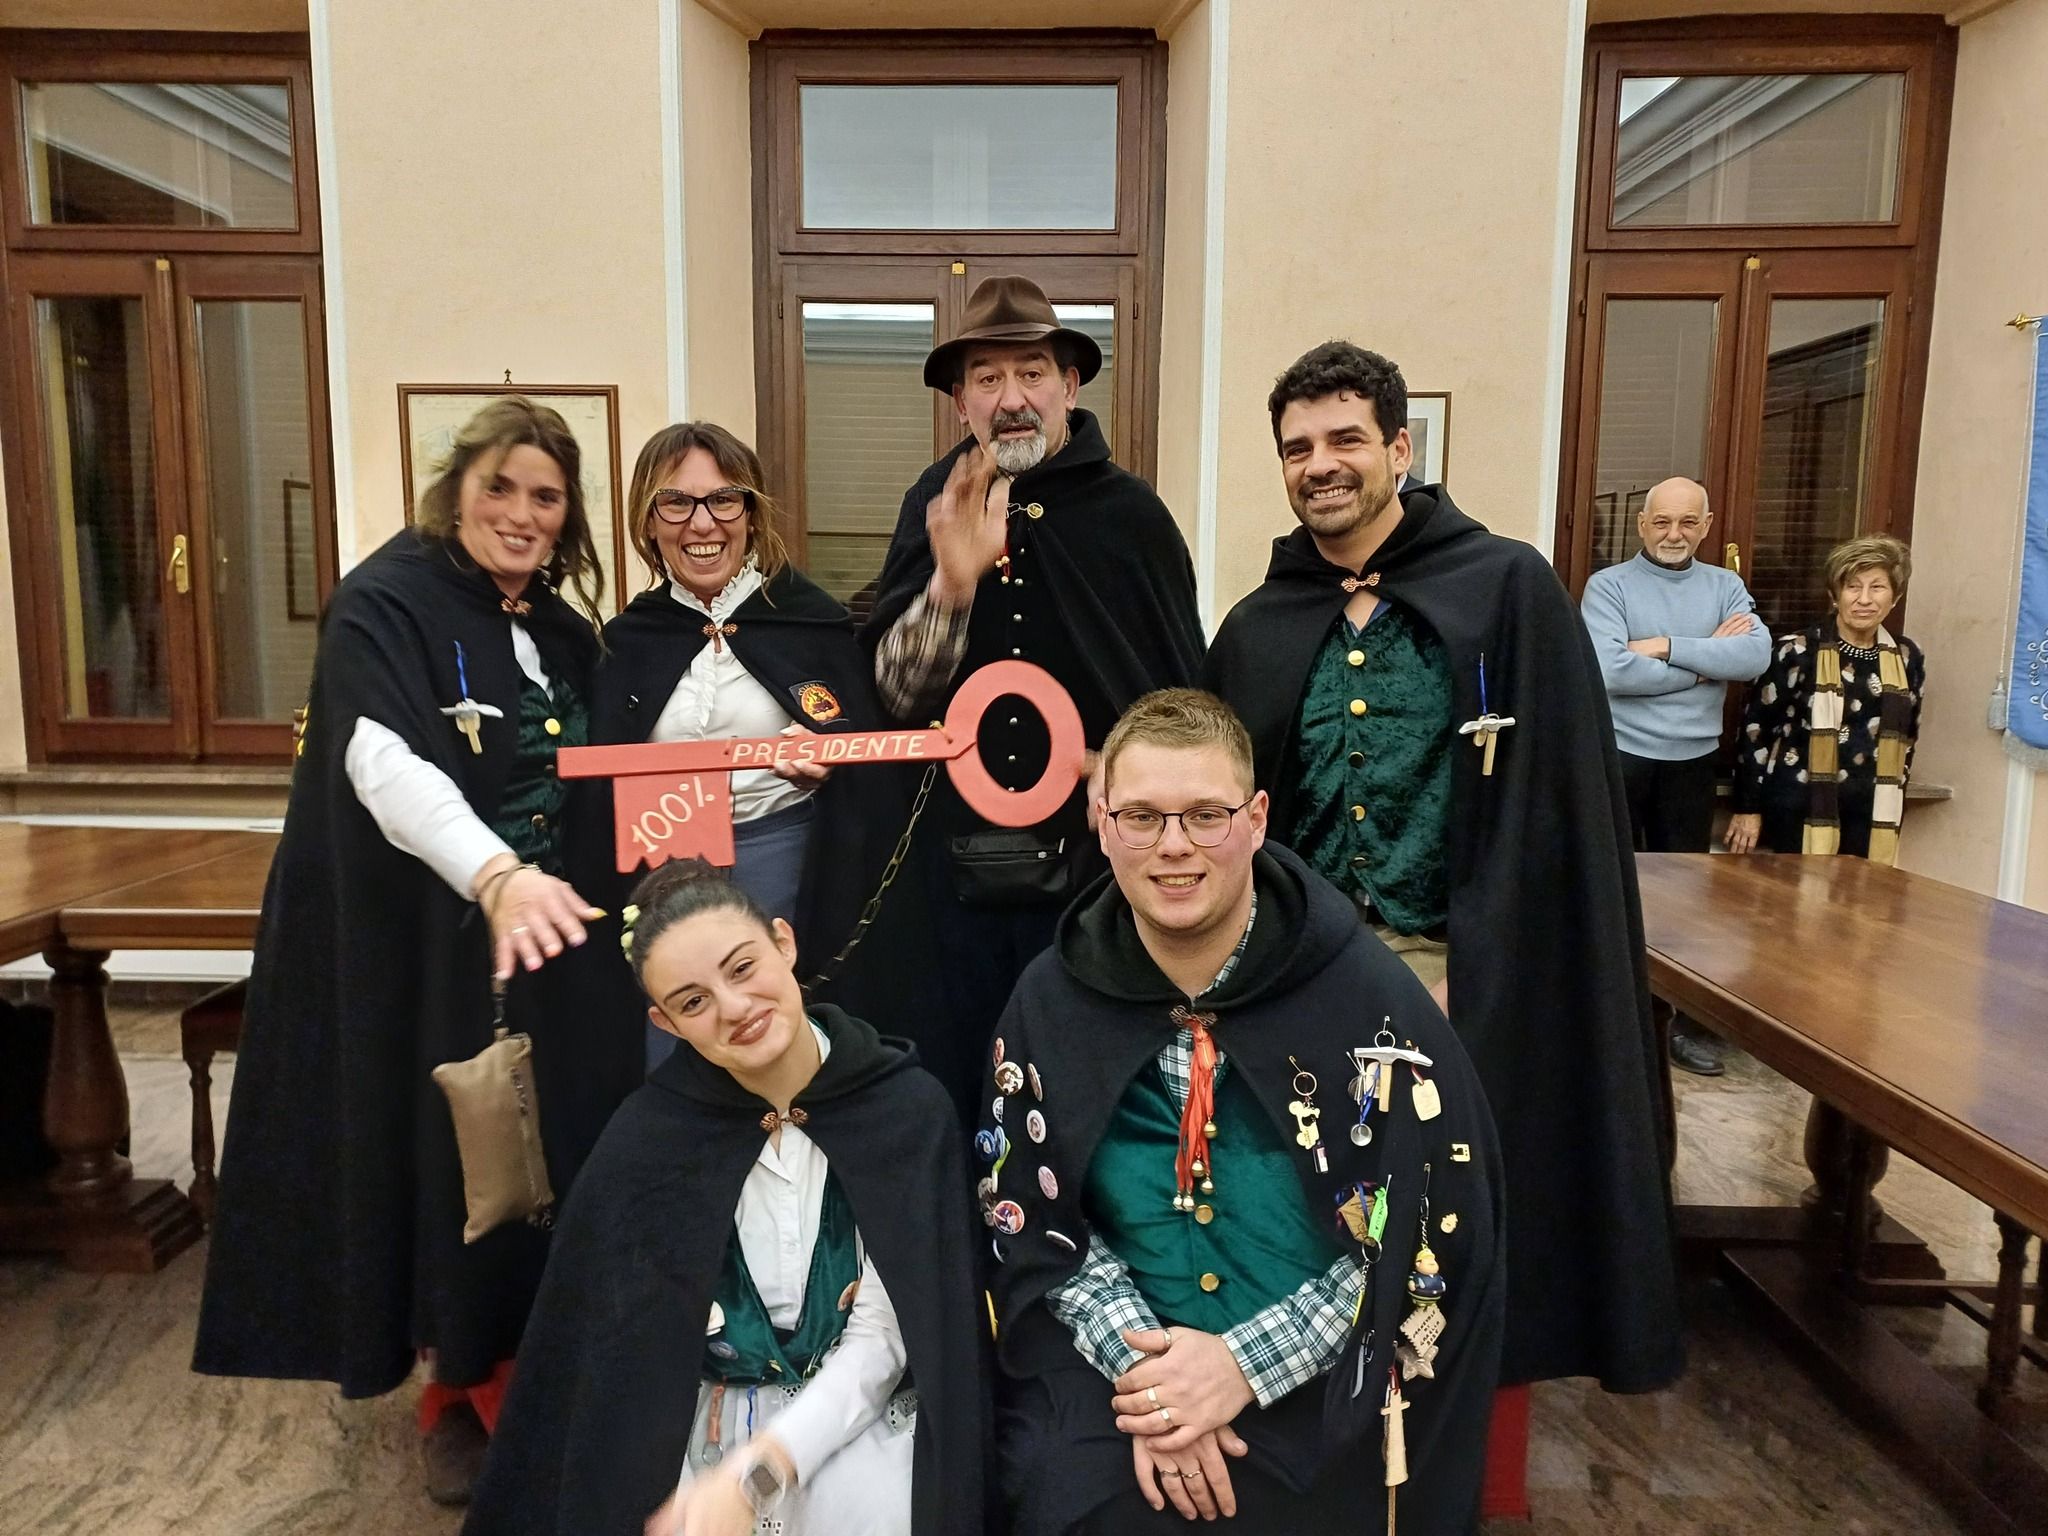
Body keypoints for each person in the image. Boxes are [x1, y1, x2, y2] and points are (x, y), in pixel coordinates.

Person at [1204, 342, 1683, 1399]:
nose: (1319, 464)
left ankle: (1446, 1419)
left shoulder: (1507, 589)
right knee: (1310, 1211)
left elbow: (1555, 811)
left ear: (1399, 449)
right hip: (1303, 974)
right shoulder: (1260, 622)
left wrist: (1488, 961)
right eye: (1296, 448)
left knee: (1447, 1227)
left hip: (1457, 969)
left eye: (1344, 439)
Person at [193, 397, 640, 1504]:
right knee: (464, 1168)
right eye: (501, 487)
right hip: (438, 949)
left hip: (564, 946)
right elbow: (382, 763)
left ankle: (543, 1371)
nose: (522, 513)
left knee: (559, 1160)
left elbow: (617, 772)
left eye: (546, 495)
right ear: (456, 487)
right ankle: (458, 1394)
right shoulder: (383, 605)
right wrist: (494, 875)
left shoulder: (565, 633)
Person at [981, 689, 1504, 1534]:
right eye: (1141, 817)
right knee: (1067, 1494)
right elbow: (1032, 1218)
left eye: (1206, 815)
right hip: (1118, 1374)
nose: (1173, 846)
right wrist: (1154, 1385)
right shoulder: (1050, 1000)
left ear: (1257, 819)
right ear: (1101, 823)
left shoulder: (1368, 997)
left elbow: (1428, 1221)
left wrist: (1242, 1367)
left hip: (1326, 1373)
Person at [463, 858, 985, 1536]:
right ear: (666, 1023)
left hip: (861, 1419)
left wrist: (763, 1471)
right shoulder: (648, 1144)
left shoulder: (905, 1113)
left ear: (783, 942)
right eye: (693, 1002)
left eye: (742, 968)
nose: (733, 1008)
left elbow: (885, 1338)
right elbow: (619, 1368)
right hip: (701, 1430)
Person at [862, 274, 1205, 1124]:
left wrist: (1128, 775)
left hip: (1097, 877)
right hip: (952, 886)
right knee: (962, 1081)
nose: (1011, 399)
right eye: (987, 378)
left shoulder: (1131, 516)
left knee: (1091, 1088)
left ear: (1070, 385)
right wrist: (951, 584)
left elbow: (1184, 711)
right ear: (961, 403)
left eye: (1032, 373)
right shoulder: (934, 504)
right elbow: (896, 695)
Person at [586, 422, 932, 1071]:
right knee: (681, 1041)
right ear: (649, 520)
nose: (702, 523)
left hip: (786, 858)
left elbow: (862, 751)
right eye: (675, 502)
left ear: (750, 513)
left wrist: (828, 762)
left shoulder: (808, 622)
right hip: (662, 864)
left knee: (779, 1029)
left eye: (724, 499)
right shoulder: (628, 640)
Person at [1580, 476, 1770, 1077]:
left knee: (1685, 905)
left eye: (1688, 522)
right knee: (1613, 891)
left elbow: (1753, 657)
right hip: (1621, 756)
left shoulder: (1725, 586)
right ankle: (1612, 1025)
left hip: (1692, 763)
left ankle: (1676, 1025)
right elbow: (1609, 670)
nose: (1673, 534)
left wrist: (1662, 645)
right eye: (1662, 521)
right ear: (1642, 524)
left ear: (1706, 527)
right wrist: (1703, 663)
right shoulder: (1609, 586)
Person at [1727, 534, 1925, 862]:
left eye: (1877, 587)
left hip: (1873, 813)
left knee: (1867, 894)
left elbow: (1908, 739)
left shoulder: (1907, 657)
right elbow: (1755, 731)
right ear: (1834, 595)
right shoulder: (1797, 651)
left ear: (1896, 596)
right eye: (1852, 587)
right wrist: (1748, 808)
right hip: (1796, 809)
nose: (1864, 599)